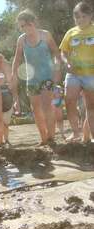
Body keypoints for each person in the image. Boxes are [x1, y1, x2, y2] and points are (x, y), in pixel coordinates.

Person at [12, 10, 61, 146]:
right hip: (32, 80)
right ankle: (44, 139)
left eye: (26, 25)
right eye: (21, 26)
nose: (24, 28)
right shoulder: (21, 39)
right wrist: (13, 75)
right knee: (36, 111)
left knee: (47, 107)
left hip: (47, 77)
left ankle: (51, 138)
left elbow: (56, 53)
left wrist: (57, 70)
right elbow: (17, 59)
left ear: (33, 22)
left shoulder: (45, 35)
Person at [59, 1, 94, 143]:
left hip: (91, 74)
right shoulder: (71, 32)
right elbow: (63, 51)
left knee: (90, 105)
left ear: (91, 16)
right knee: (69, 100)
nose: (80, 20)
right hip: (74, 74)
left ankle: (92, 136)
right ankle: (75, 133)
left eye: (83, 16)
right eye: (77, 17)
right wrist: (66, 62)